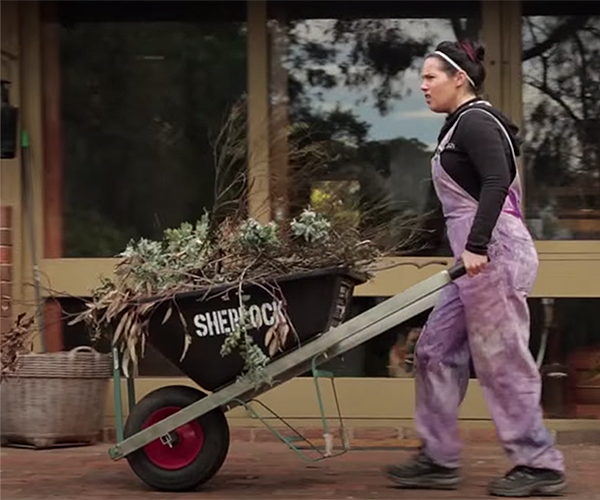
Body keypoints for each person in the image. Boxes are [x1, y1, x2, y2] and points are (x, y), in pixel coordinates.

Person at [384, 40, 567, 497]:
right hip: (474, 259)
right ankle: (438, 456)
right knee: (434, 352)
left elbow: (496, 180)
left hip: (494, 255)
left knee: (502, 362)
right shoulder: (456, 126)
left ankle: (539, 464)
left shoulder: (477, 121)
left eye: (431, 77)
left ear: (459, 79)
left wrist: (479, 243)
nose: (422, 85)